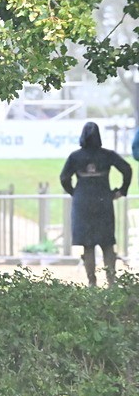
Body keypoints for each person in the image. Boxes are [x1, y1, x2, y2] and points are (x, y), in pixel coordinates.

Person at [60, 121, 132, 288]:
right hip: (103, 201)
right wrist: (122, 190)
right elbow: (127, 169)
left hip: (83, 203)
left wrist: (74, 192)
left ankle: (92, 282)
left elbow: (64, 178)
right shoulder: (107, 155)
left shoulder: (75, 157)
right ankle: (111, 282)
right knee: (107, 243)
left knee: (88, 244)